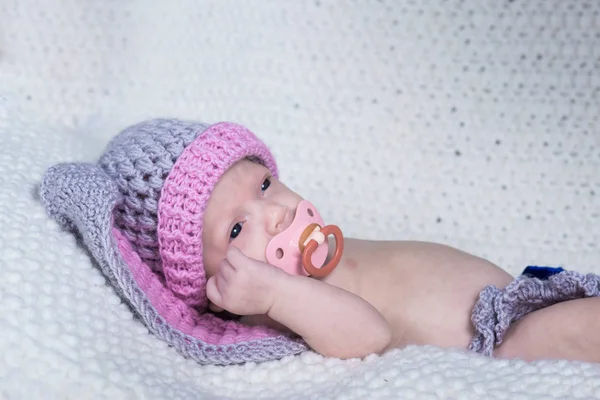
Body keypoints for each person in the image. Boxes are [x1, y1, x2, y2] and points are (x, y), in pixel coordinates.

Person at [41, 118, 600, 366]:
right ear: (214, 288)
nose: (275, 211)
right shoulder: (277, 306)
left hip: (528, 292)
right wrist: (273, 295)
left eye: (264, 185)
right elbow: (370, 334)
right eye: (237, 229)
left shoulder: (313, 251)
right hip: (501, 341)